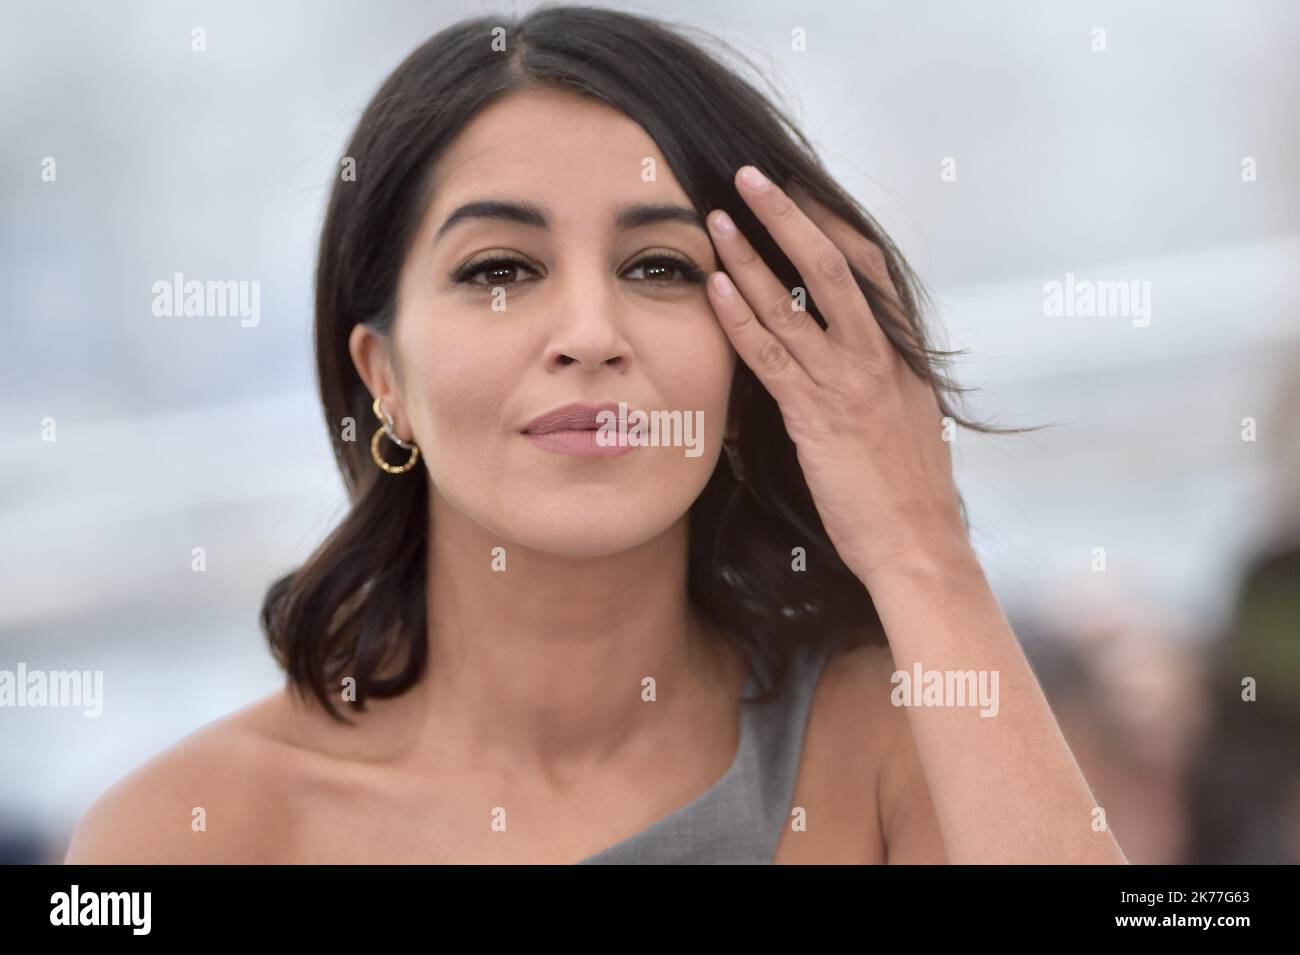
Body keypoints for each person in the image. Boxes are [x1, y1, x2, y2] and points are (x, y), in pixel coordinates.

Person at [64, 5, 1126, 864]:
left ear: (754, 349)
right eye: (499, 271)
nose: (588, 333)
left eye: (658, 268)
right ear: (382, 379)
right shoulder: (184, 835)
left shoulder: (888, 741)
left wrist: (919, 541)